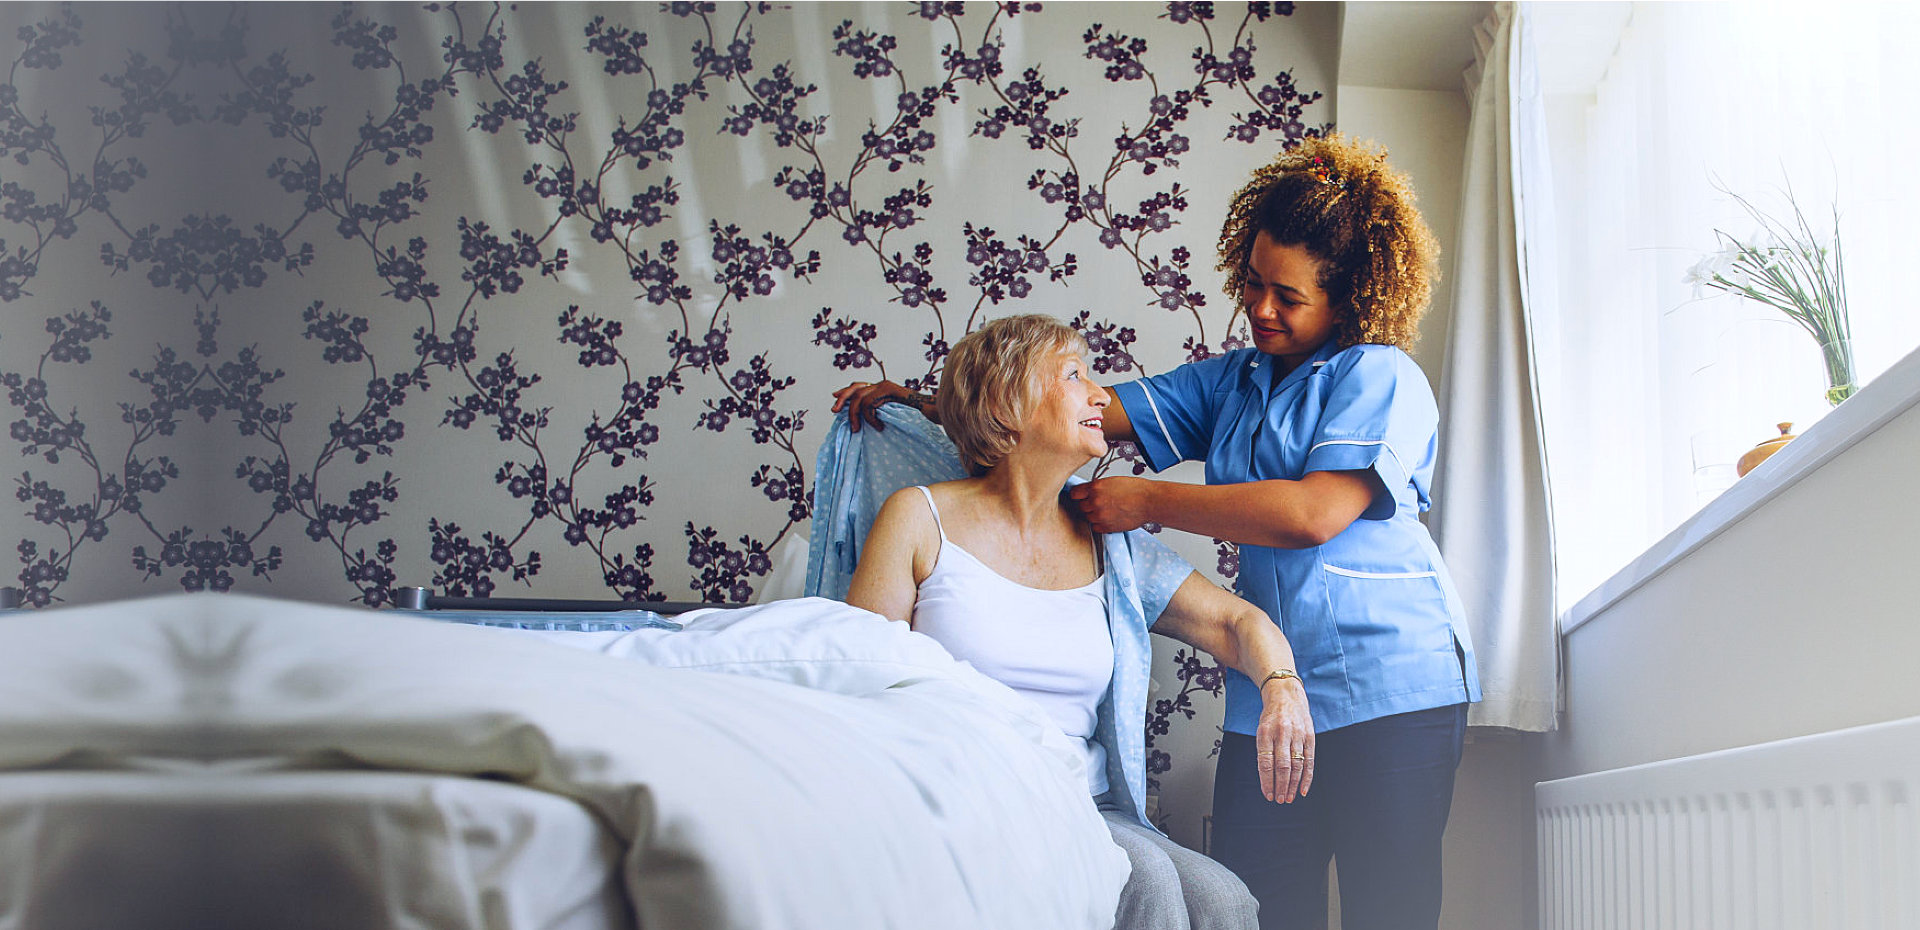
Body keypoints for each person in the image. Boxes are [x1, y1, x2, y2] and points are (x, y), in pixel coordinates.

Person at [834, 133, 1480, 930]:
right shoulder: (1232, 384)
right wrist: (936, 403)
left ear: (1345, 299)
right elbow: (1068, 408)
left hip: (1390, 682)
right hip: (1268, 688)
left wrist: (1149, 502)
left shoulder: (1381, 377)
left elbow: (1314, 514)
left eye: (1289, 296)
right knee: (1257, 903)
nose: (1261, 309)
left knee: (1392, 910)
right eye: (1253, 283)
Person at [839, 314, 1312, 930]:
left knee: (1226, 901)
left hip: (1087, 804)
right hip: (965, 797)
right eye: (1074, 375)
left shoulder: (1108, 546)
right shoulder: (918, 518)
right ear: (1008, 402)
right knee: (1147, 887)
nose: (1099, 395)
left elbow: (1234, 624)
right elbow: (853, 677)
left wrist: (1280, 684)